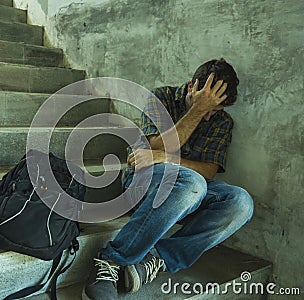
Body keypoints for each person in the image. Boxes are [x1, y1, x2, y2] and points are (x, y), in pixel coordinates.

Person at [82, 58, 254, 300]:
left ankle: (157, 259)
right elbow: (157, 144)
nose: (209, 116)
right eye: (209, 107)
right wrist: (198, 109)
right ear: (193, 87)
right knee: (191, 183)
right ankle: (111, 261)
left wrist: (165, 157)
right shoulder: (161, 98)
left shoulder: (222, 121)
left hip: (188, 190)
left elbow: (208, 170)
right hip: (143, 181)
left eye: (215, 110)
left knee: (241, 202)